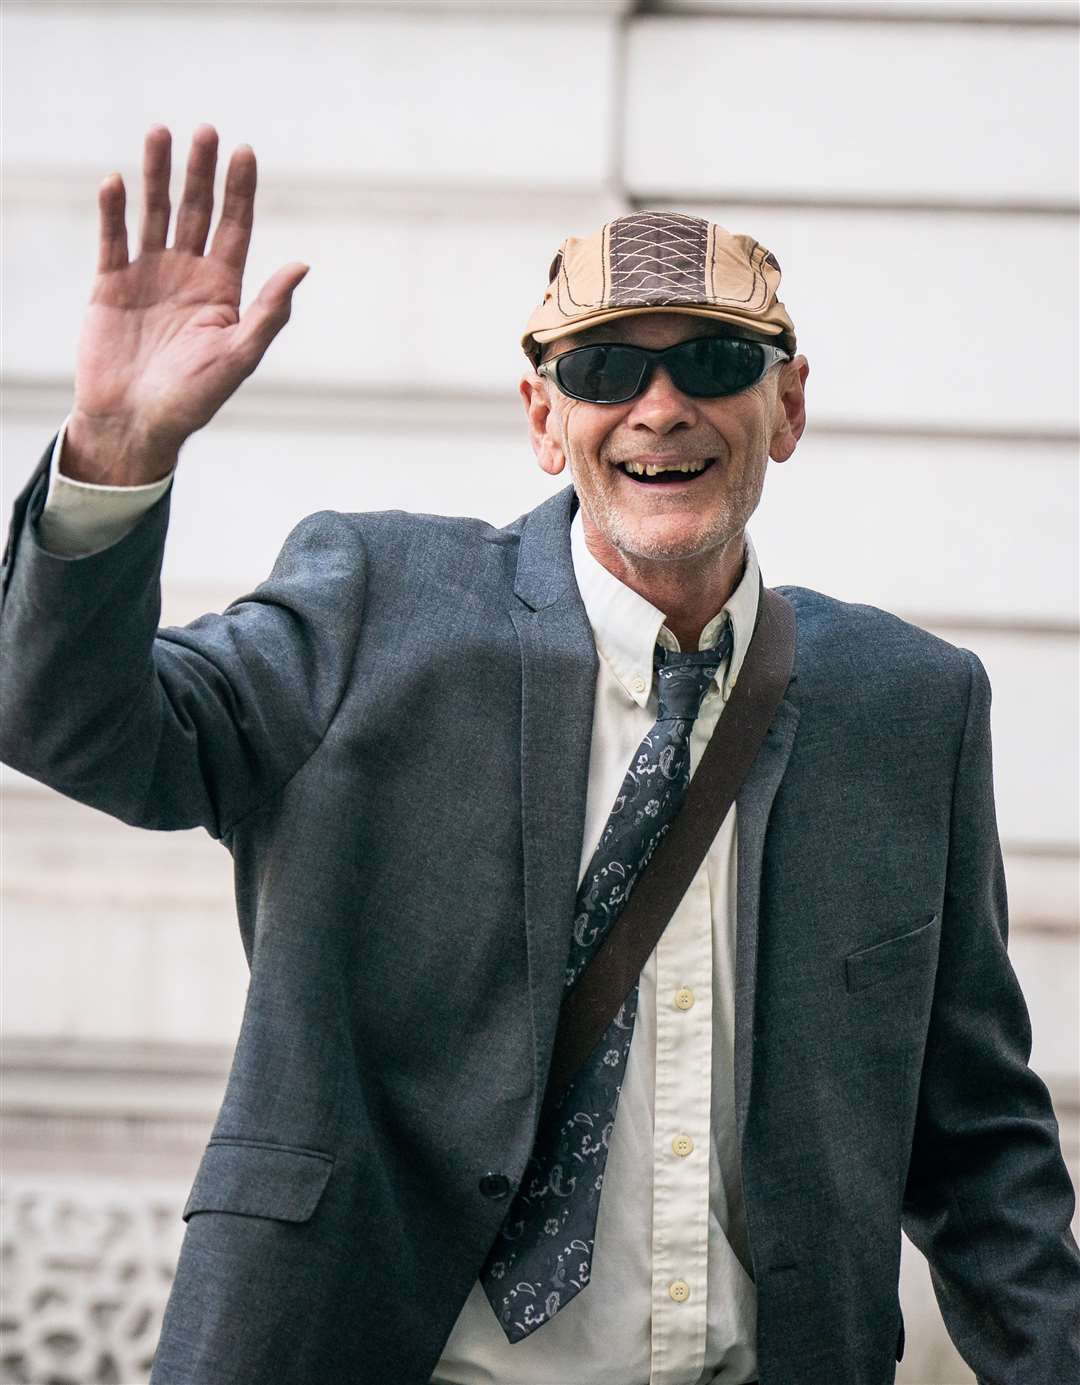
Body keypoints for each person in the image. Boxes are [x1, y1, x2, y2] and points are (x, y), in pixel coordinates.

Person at [1, 123, 1077, 1385]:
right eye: (607, 365)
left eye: (717, 360)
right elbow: (79, 724)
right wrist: (117, 461)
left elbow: (979, 1142)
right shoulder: (372, 606)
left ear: (786, 407)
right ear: (542, 414)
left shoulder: (911, 704)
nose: (660, 405)